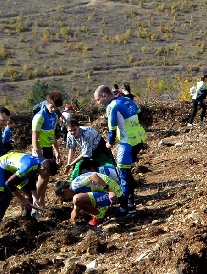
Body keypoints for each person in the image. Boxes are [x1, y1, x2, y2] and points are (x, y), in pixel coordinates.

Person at [0, 153, 56, 241]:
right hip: (0, 168)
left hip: (12, 169)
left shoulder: (41, 163)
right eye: (48, 174)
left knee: (29, 195)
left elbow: (31, 182)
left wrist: (35, 198)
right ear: (43, 169)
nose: (47, 177)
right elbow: (9, 183)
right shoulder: (28, 166)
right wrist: (22, 199)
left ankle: (27, 222)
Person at [94, 85, 146, 213]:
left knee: (123, 175)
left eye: (98, 99)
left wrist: (110, 142)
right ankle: (131, 204)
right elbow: (139, 112)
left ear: (104, 95)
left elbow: (112, 127)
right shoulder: (126, 99)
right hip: (139, 138)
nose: (98, 103)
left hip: (127, 142)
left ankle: (124, 208)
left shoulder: (112, 106)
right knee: (127, 173)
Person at [54, 171, 124, 226]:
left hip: (115, 194)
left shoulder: (75, 185)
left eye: (64, 197)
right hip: (109, 193)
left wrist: (110, 191)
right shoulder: (75, 186)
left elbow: (94, 176)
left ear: (64, 191)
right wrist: (73, 219)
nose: (66, 199)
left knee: (76, 199)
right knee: (78, 201)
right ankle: (102, 212)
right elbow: (76, 208)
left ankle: (100, 217)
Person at [32, 91, 63, 165]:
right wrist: (40, 156)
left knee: (48, 174)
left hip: (49, 148)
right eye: (52, 106)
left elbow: (53, 134)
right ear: (47, 103)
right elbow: (34, 138)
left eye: (56, 107)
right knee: (41, 173)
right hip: (40, 149)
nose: (54, 109)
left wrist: (56, 151)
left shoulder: (55, 116)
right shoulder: (39, 116)